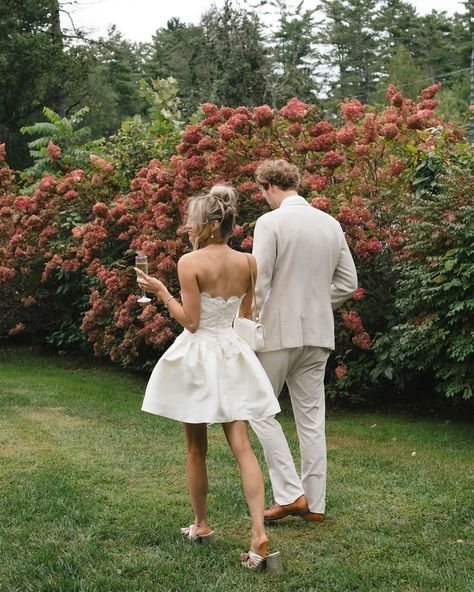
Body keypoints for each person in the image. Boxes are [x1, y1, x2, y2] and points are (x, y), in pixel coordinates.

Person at [135, 185, 281, 570]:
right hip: (233, 355)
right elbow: (245, 317)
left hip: (199, 359)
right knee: (243, 447)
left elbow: (192, 323)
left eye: (195, 221)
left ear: (213, 225)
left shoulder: (190, 262)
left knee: (196, 448)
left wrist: (162, 292)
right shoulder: (249, 262)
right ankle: (257, 532)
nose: (189, 227)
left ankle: (201, 524)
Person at [249, 159, 358, 523]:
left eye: (261, 191)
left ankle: (291, 493)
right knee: (312, 420)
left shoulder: (270, 222)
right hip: (318, 333)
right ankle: (315, 504)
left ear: (268, 187)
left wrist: (245, 325)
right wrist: (314, 303)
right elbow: (347, 283)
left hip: (276, 334)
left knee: (257, 408)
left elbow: (259, 282)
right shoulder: (331, 223)